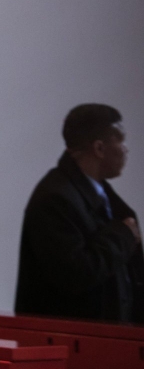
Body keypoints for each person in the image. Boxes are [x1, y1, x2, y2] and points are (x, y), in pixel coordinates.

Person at [16, 103, 143, 323]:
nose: (126, 149)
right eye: (120, 140)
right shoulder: (54, 199)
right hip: (74, 346)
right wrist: (123, 235)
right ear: (99, 149)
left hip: (110, 343)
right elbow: (75, 273)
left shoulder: (99, 193)